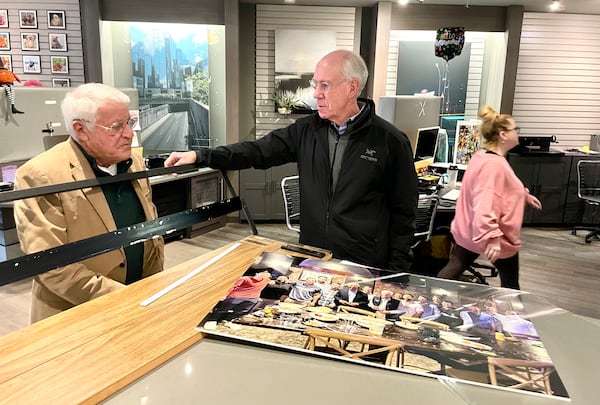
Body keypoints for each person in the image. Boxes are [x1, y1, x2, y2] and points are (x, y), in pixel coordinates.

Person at [164, 50, 418, 272]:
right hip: (313, 259)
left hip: (364, 266)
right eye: (315, 84)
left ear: (352, 88)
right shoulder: (306, 130)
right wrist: (201, 156)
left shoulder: (390, 141)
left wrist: (396, 275)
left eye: (325, 85)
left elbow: (404, 214)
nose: (316, 94)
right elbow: (256, 151)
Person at [13, 83, 164, 323]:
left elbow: (150, 229)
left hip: (141, 304)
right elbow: (51, 265)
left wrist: (152, 291)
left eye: (129, 122)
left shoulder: (134, 161)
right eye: (116, 127)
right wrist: (123, 298)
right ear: (81, 130)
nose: (129, 134)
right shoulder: (41, 174)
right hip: (78, 316)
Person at [436, 106, 542, 289]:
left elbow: (504, 188)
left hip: (471, 232)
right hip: (494, 236)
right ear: (503, 135)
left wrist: (523, 195)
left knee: (454, 268)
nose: (518, 133)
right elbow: (486, 202)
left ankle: (431, 299)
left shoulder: (483, 157)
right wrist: (492, 237)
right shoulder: (494, 165)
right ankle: (513, 315)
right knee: (510, 285)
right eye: (515, 129)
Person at [203, 269, 272, 330]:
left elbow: (274, 282)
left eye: (267, 274)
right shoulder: (245, 279)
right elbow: (232, 286)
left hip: (252, 299)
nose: (265, 275)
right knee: (224, 309)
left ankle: (227, 320)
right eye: (264, 273)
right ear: (257, 273)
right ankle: (212, 320)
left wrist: (281, 280)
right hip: (236, 297)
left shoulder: (266, 280)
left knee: (242, 311)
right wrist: (225, 295)